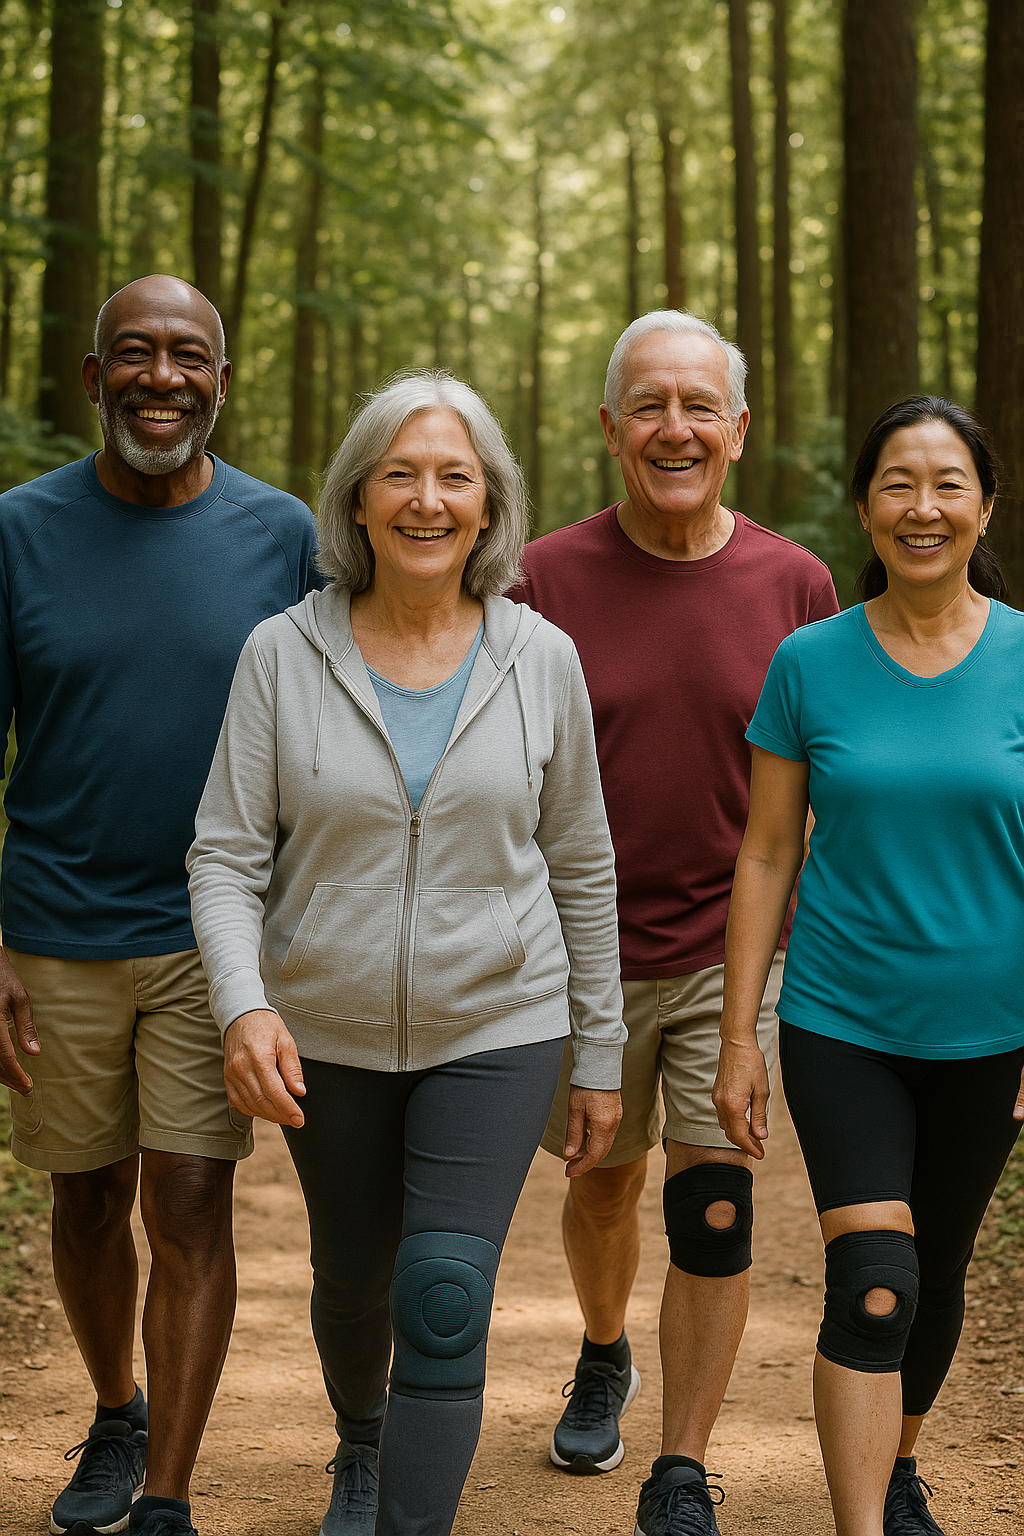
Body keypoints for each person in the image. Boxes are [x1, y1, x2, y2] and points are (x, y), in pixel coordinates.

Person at [186, 369, 626, 1536]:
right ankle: (362, 1440)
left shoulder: (541, 659)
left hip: (499, 1022)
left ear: (489, 506)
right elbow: (224, 855)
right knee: (353, 1286)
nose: (427, 501)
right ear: (359, 502)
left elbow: (581, 862)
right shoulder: (281, 654)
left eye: (454, 477)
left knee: (439, 1297)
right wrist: (243, 1007)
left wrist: (598, 1054)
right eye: (401, 476)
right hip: (322, 1029)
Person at [0, 275, 321, 1536]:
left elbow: (335, 720)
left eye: (188, 355)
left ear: (222, 382)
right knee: (86, 1197)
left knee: (187, 1198)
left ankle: (170, 1492)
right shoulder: (19, 530)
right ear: (94, 379)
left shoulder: (283, 533)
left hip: (215, 933)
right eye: (132, 353)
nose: (161, 376)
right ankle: (115, 1411)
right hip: (56, 930)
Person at [515, 310, 839, 1533]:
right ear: (608, 429)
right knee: (603, 1186)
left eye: (699, 405)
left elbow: (825, 774)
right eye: (648, 405)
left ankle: (681, 1465)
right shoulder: (539, 577)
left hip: (728, 950)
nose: (674, 426)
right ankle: (605, 1347)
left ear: (738, 431)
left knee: (714, 1199)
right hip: (575, 955)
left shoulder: (794, 583)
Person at [714, 395, 1024, 1536]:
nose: (922, 506)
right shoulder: (810, 663)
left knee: (932, 1279)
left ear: (983, 504)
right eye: (897, 483)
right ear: (864, 506)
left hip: (991, 1031)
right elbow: (763, 855)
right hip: (843, 1020)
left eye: (947, 483)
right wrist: (737, 1034)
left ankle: (896, 1469)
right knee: (877, 1278)